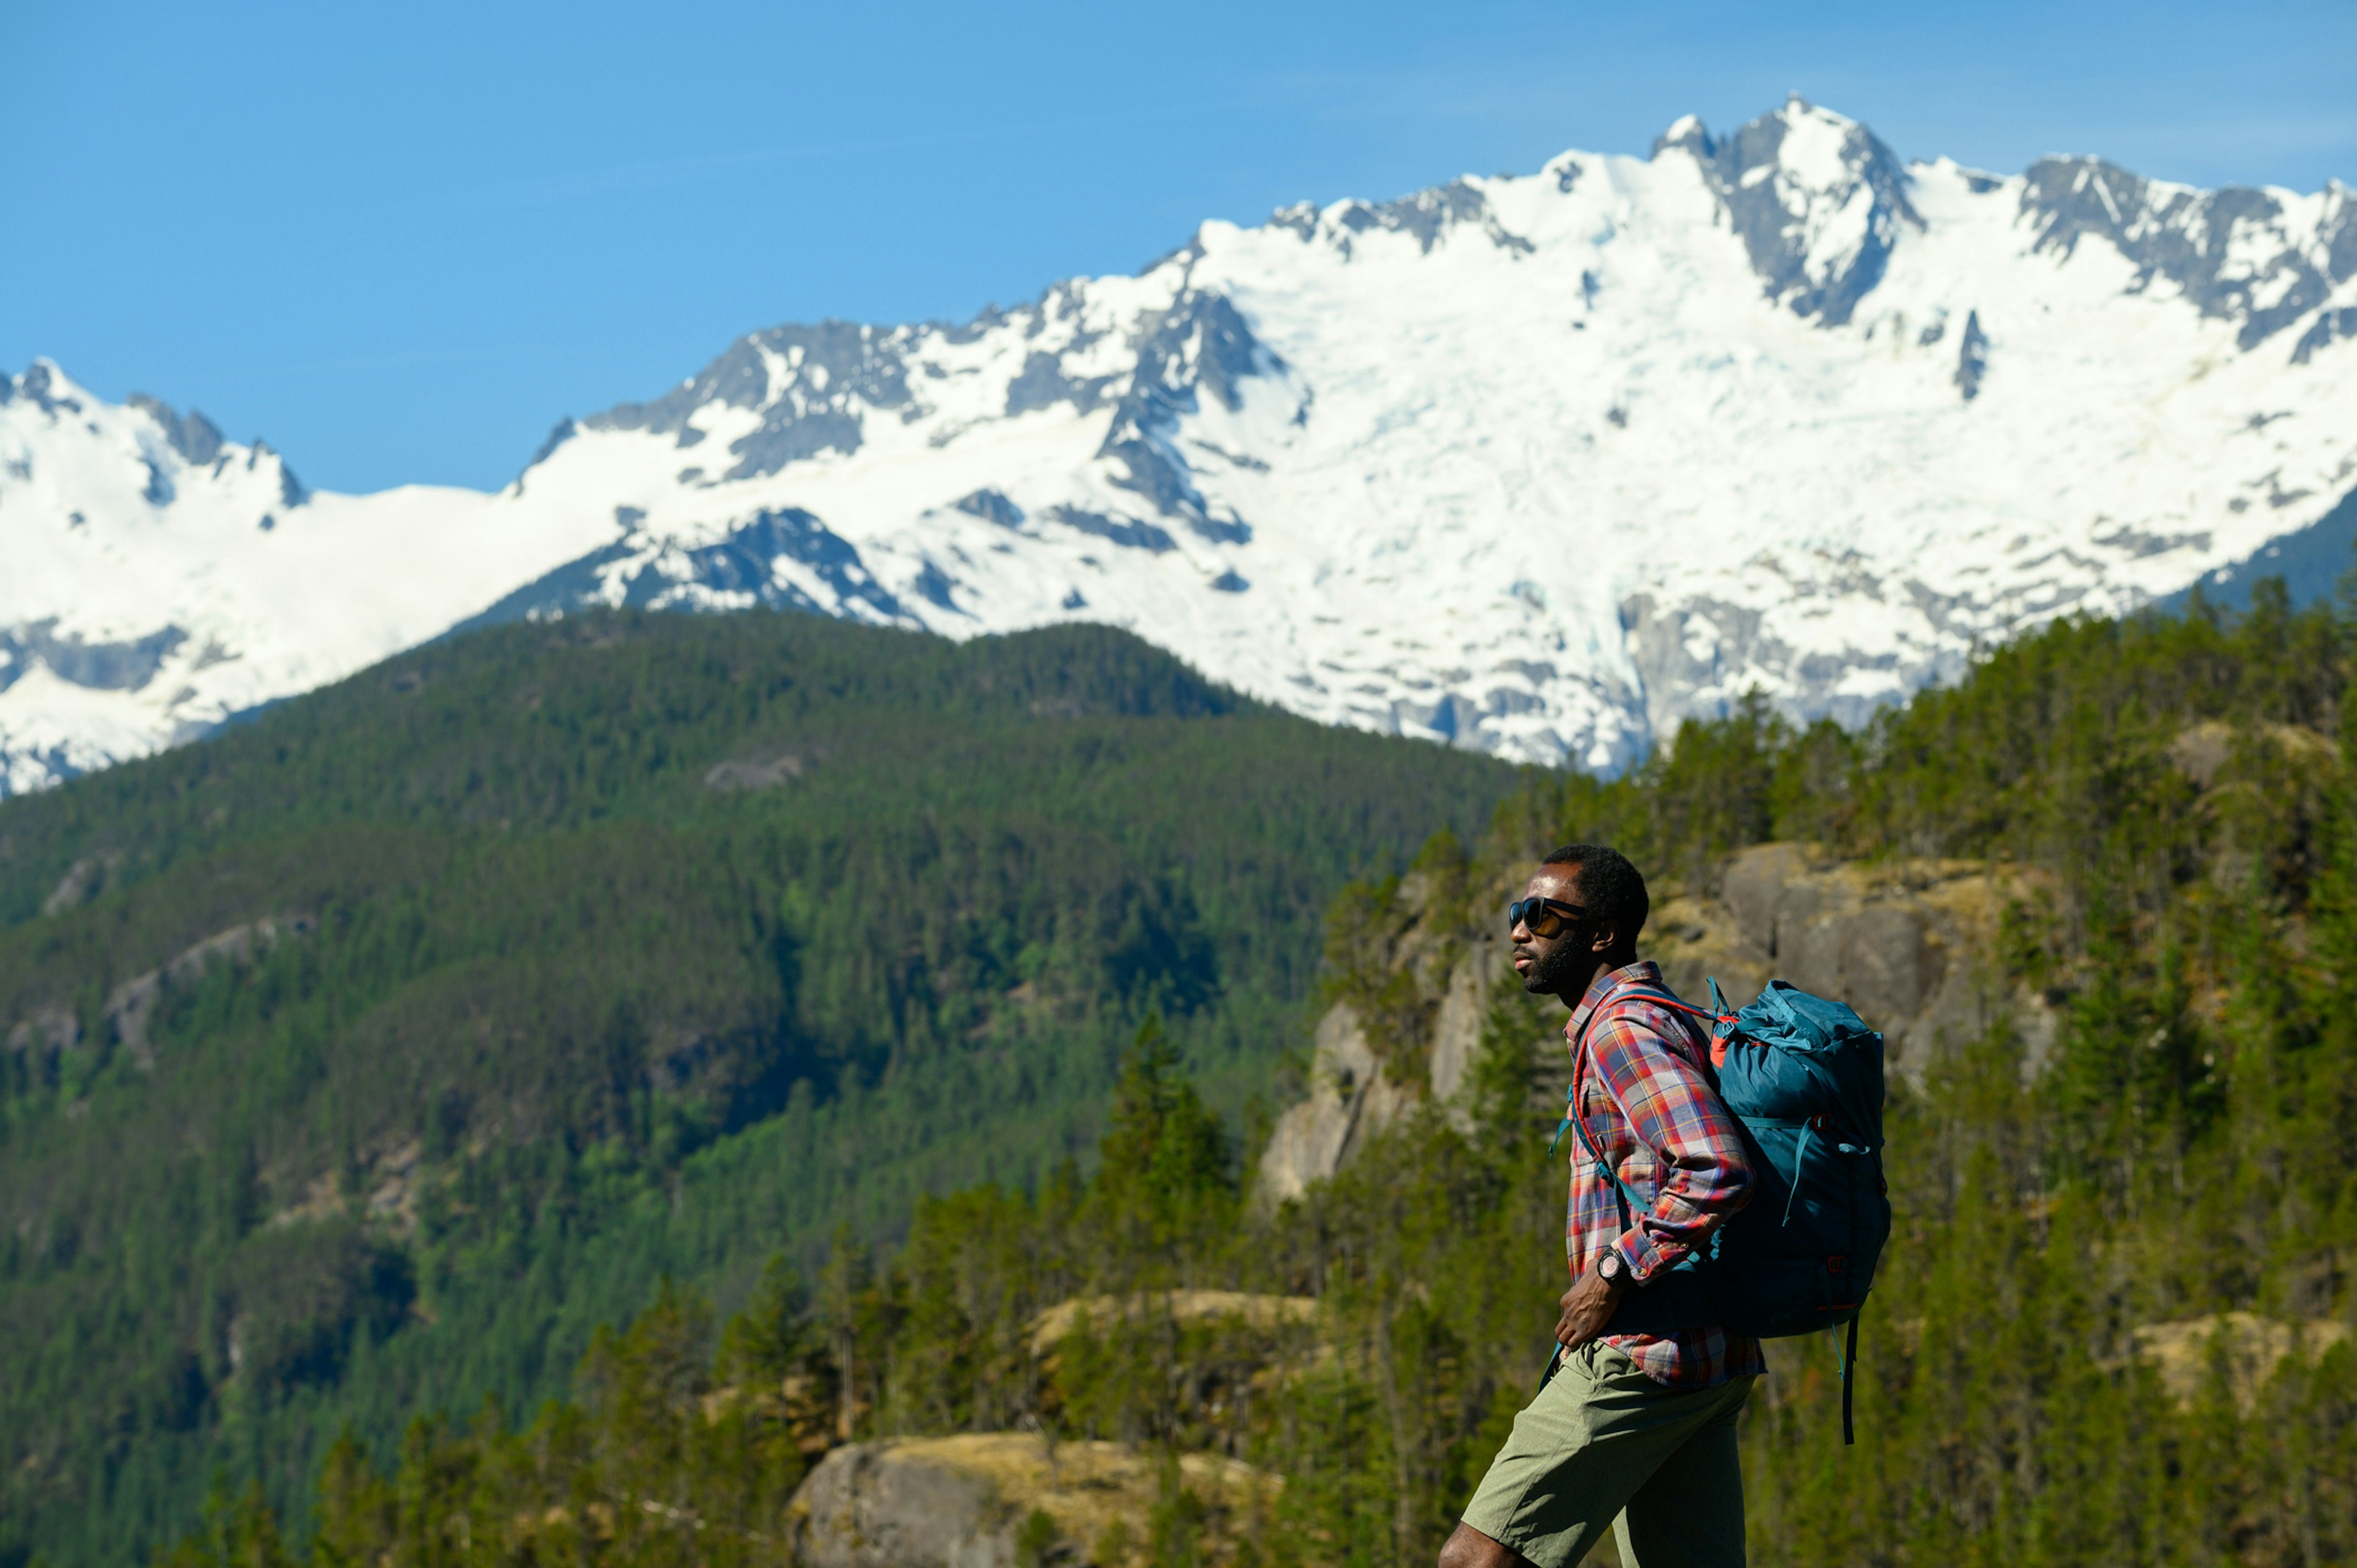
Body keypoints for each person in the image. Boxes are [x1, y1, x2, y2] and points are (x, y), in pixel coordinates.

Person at [1439, 844, 1761, 1568]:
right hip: (1707, 1353)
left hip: (1643, 1352)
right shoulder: (1651, 1016)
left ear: (1603, 935)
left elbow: (1718, 1165)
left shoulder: (1622, 1029)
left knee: (1476, 1558)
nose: (1521, 929)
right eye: (1518, 913)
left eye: (1544, 915)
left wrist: (1614, 1270)